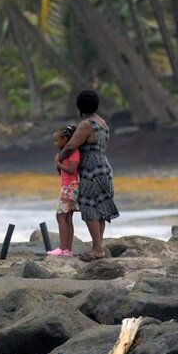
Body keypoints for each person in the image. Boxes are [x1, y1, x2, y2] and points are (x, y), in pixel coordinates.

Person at [57, 90, 119, 261]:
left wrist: (59, 159)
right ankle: (98, 247)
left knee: (89, 206)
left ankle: (97, 249)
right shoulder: (103, 123)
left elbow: (70, 146)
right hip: (104, 168)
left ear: (80, 106)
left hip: (91, 170)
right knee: (101, 207)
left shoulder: (86, 124)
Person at [49, 124, 80, 257]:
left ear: (66, 139)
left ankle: (63, 248)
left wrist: (59, 164)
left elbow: (72, 170)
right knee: (67, 217)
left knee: (61, 216)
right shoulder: (66, 153)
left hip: (70, 187)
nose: (56, 143)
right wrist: (59, 163)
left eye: (58, 140)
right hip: (68, 186)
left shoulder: (74, 152)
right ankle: (67, 249)